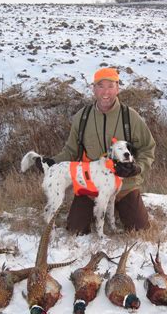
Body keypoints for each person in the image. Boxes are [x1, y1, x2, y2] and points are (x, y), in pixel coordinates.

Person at [36, 67, 156, 235]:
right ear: (93, 89)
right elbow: (71, 150)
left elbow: (148, 148)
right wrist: (52, 161)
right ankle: (98, 211)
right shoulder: (82, 117)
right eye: (101, 86)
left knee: (140, 229)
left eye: (110, 86)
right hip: (90, 186)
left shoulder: (131, 117)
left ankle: (119, 210)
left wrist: (138, 168)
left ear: (117, 89)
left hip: (125, 186)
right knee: (76, 229)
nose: (105, 92)